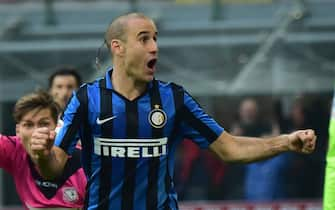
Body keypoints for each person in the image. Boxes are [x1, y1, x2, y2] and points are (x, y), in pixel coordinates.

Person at [31, 13, 317, 210]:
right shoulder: (86, 99)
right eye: (144, 39)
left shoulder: (174, 99)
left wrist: (285, 142)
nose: (154, 47)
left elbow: (230, 148)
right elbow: (55, 166)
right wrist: (43, 155)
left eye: (155, 38)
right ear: (118, 47)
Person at [0, 90, 86, 209]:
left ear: (57, 127)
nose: (36, 132)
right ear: (18, 131)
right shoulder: (14, 150)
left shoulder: (85, 163)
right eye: (28, 125)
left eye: (44, 124)